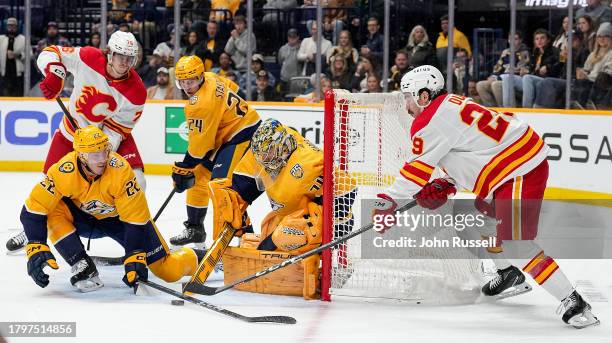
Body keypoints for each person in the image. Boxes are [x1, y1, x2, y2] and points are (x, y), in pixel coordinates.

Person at [372, 64, 599, 329]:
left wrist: (387, 201)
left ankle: (574, 302)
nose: (406, 104)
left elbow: (414, 173)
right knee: (468, 218)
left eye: (408, 96)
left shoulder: (430, 120)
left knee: (517, 244)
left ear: (424, 96)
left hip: (519, 171)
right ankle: (507, 273)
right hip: (510, 166)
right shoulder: (448, 105)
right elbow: (470, 148)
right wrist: (447, 181)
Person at [5, 31, 147, 253]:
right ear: (109, 53)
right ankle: (35, 227)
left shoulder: (137, 90)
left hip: (109, 139)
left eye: (131, 58)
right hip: (70, 133)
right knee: (49, 184)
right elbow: (51, 52)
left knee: (137, 181)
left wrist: (94, 148)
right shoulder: (89, 57)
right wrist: (55, 73)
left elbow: (118, 129)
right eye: (121, 56)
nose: (125, 62)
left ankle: (135, 233)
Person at [21, 126, 203, 292]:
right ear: (81, 155)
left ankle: (207, 258)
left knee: (169, 270)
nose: (102, 159)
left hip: (120, 221)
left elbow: (135, 218)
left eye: (104, 151)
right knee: (52, 208)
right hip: (85, 219)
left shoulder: (120, 170)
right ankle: (81, 263)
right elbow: (33, 208)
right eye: (95, 155)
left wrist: (134, 254)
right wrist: (36, 245)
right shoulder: (63, 171)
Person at [206, 118, 354, 257]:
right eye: (260, 155)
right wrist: (237, 196)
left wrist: (321, 216)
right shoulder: (269, 148)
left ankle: (325, 259)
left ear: (282, 146)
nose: (263, 159)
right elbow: (249, 171)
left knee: (282, 237)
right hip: (289, 217)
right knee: (266, 230)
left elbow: (348, 186)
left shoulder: (309, 162)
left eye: (267, 153)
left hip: (321, 223)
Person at [169, 55, 261, 246]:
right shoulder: (211, 76)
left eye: (191, 81)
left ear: (200, 77)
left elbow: (199, 148)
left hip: (242, 134)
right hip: (231, 134)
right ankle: (195, 228)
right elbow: (233, 89)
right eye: (182, 82)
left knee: (221, 187)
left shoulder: (199, 105)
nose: (187, 87)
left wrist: (184, 166)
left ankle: (246, 239)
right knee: (198, 176)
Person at [477, 32, 530, 107]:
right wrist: (493, 76)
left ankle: (503, 111)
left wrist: (498, 78)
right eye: (510, 39)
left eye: (515, 39)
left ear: (520, 40)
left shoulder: (525, 52)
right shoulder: (505, 52)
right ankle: (492, 110)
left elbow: (517, 71)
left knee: (496, 85)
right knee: (480, 85)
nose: (512, 41)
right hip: (501, 78)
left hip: (514, 82)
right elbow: (498, 66)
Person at [0, 17, 26, 96]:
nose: (11, 28)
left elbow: (29, 55)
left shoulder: (23, 39)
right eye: (9, 26)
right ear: (6, 27)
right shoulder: (1, 39)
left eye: (13, 26)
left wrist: (17, 55)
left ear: (17, 27)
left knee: (18, 96)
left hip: (18, 75)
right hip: (4, 74)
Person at [278, 28, 301, 96]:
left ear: (297, 37)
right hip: (284, 79)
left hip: (297, 80)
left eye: (294, 37)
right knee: (283, 97)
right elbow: (280, 62)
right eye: (290, 37)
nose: (292, 39)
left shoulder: (301, 48)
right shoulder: (282, 49)